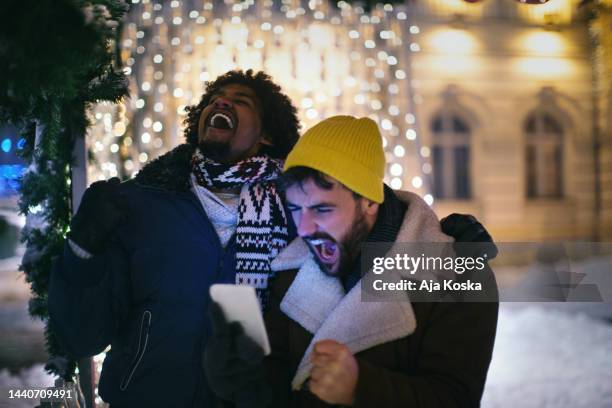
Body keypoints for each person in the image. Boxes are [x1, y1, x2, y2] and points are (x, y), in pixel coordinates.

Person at [204, 115, 499, 407]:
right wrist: (243, 380)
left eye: (322, 209)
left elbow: (455, 398)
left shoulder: (458, 276)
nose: (304, 228)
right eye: (295, 208)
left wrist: (362, 388)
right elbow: (282, 379)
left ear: (369, 201)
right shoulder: (291, 268)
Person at [48, 69, 301, 407]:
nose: (221, 102)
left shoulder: (297, 212)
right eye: (213, 100)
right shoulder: (141, 204)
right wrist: (81, 251)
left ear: (267, 134)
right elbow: (80, 337)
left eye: (240, 101)